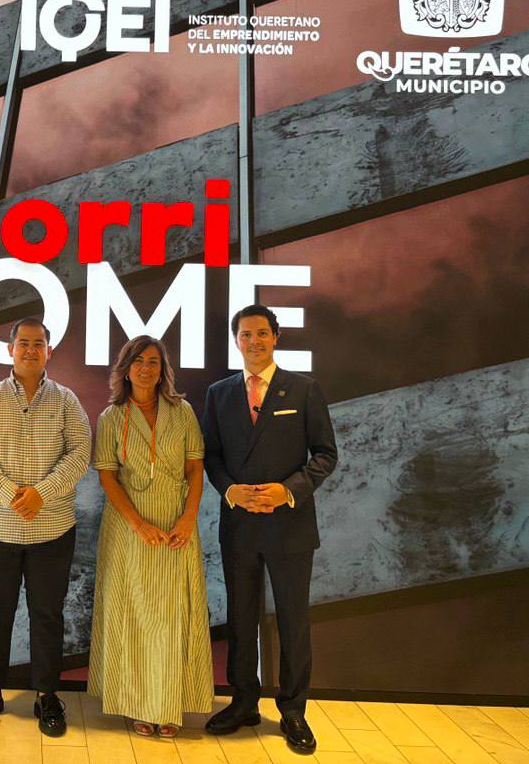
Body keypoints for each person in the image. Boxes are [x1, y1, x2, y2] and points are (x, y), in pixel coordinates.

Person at [202, 304, 337, 755]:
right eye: (245, 334)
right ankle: (243, 702)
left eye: (262, 333)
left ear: (275, 336)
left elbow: (325, 454)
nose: (254, 341)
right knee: (241, 619)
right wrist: (229, 490)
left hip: (290, 526)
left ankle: (293, 710)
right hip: (239, 525)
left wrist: (287, 490)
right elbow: (211, 455)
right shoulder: (219, 394)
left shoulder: (303, 389)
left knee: (293, 621)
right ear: (236, 340)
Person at [0, 316, 92, 737]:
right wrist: (10, 494)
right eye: (24, 343)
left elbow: (80, 453)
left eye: (39, 344)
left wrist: (42, 494)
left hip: (52, 531)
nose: (31, 350)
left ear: (49, 351)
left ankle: (47, 695)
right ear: (10, 350)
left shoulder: (66, 400)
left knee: (48, 615)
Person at [88, 335, 214, 738]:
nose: (146, 368)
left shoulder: (183, 411)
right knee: (135, 614)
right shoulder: (111, 417)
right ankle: (137, 704)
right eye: (138, 361)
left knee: (173, 614)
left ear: (163, 370)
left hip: (176, 523)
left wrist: (188, 519)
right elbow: (108, 477)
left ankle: (169, 705)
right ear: (125, 369)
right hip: (128, 527)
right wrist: (139, 524)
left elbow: (195, 468)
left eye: (154, 362)